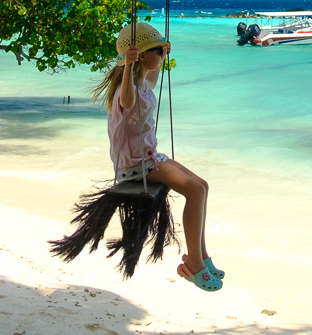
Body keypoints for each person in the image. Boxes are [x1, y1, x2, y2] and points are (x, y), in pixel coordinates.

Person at [91, 21, 224, 290]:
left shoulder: (143, 84)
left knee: (202, 186)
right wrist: (127, 65)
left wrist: (161, 51)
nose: (163, 55)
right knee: (195, 192)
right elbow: (127, 101)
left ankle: (201, 255)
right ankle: (193, 266)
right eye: (159, 52)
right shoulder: (126, 91)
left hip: (150, 156)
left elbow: (152, 76)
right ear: (141, 56)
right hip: (135, 165)